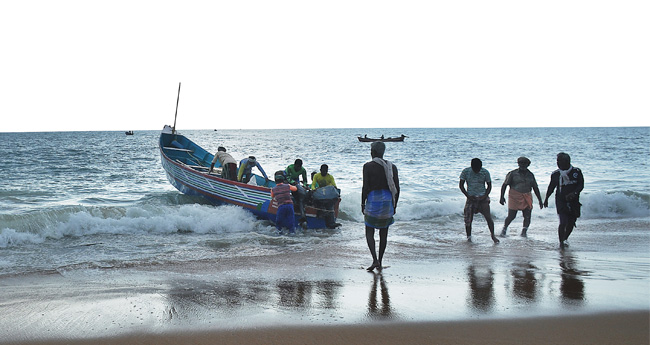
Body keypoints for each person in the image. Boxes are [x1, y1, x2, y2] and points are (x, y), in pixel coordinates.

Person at [362, 142, 400, 271]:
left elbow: (365, 187)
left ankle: (374, 260)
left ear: (373, 152)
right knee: (384, 234)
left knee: (369, 231)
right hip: (388, 200)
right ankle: (381, 262)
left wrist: (362, 203)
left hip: (373, 200)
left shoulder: (368, 166)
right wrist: (395, 205)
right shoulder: (392, 167)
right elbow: (397, 188)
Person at [543, 152, 584, 248]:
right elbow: (551, 187)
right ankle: (561, 242)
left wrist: (574, 193)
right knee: (563, 222)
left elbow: (580, 185)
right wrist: (546, 198)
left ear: (567, 161)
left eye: (560, 161)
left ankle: (565, 238)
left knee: (571, 221)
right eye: (557, 161)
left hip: (574, 200)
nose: (558, 163)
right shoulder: (556, 174)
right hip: (561, 200)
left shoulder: (576, 172)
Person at [499, 156, 543, 237]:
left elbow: (535, 188)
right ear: (518, 164)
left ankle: (524, 232)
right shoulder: (512, 174)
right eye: (521, 163)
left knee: (527, 215)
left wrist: (540, 200)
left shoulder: (530, 175)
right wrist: (501, 197)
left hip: (527, 196)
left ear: (528, 165)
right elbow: (504, 185)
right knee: (512, 216)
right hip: (514, 196)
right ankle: (504, 229)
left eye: (524, 163)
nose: (522, 165)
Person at [459, 158, 499, 244]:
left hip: (482, 198)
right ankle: (469, 238)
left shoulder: (485, 172)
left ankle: (493, 235)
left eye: (478, 168)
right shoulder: (466, 171)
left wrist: (484, 196)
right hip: (471, 198)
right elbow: (461, 185)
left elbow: (489, 186)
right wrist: (468, 196)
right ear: (472, 166)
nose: (477, 170)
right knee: (468, 219)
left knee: (488, 218)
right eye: (475, 168)